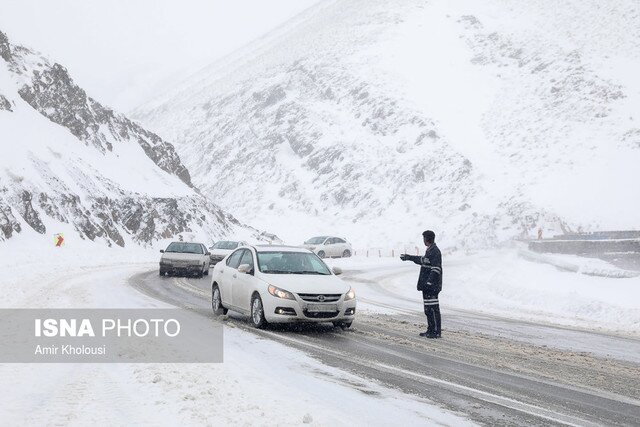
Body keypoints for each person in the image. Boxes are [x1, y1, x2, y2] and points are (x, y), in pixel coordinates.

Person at [400, 230, 442, 338]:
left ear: (427, 239)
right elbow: (422, 260)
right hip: (427, 286)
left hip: (432, 286)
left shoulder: (435, 252)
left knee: (433, 309)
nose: (423, 240)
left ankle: (436, 331)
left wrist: (429, 282)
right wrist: (409, 257)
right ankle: (430, 329)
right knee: (428, 309)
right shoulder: (430, 251)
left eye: (424, 238)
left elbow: (436, 269)